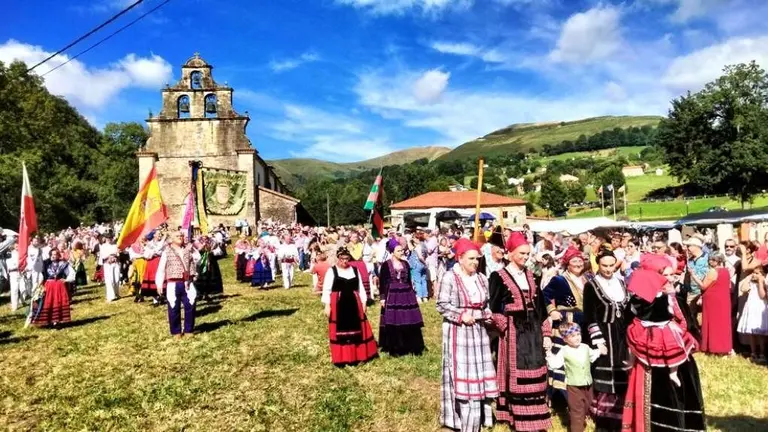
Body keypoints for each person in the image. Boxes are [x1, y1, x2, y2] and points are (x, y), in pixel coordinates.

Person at [622, 255, 705, 432]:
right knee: (658, 402)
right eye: (665, 274)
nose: (670, 278)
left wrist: (688, 339)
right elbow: (628, 326)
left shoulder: (676, 297)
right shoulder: (641, 298)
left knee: (682, 398)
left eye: (672, 274)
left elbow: (689, 324)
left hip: (679, 358)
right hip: (650, 363)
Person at [488, 232, 552, 431]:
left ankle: (536, 415)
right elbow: (493, 305)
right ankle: (516, 414)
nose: (525, 257)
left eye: (527, 254)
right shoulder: (498, 276)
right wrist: (504, 325)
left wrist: (547, 333)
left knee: (536, 367)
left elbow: (540, 306)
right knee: (517, 371)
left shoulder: (531, 275)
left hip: (533, 331)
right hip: (514, 332)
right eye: (522, 253)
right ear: (511, 253)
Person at [437, 238, 498, 432]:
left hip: (479, 331)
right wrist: (461, 315)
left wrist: (487, 315)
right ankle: (462, 420)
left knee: (479, 370)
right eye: (471, 259)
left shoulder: (481, 278)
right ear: (460, 258)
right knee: (462, 371)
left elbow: (486, 303)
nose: (475, 262)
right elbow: (442, 305)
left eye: (477, 259)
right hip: (459, 331)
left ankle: (480, 417)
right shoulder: (450, 277)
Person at [583, 249, 630, 431]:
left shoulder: (621, 282)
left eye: (612, 265)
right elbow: (589, 315)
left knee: (622, 368)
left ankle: (622, 411)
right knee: (604, 369)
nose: (609, 269)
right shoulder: (592, 285)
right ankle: (603, 413)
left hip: (621, 334)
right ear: (598, 265)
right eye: (605, 265)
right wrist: (598, 340)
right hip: (603, 333)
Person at [543, 246, 589, 399]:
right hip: (567, 321)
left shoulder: (588, 278)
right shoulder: (559, 279)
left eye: (580, 260)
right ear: (567, 263)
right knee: (564, 355)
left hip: (585, 321)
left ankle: (582, 389)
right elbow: (544, 294)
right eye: (574, 261)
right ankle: (560, 394)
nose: (578, 263)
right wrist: (552, 310)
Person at [322, 247, 378, 367]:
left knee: (357, 329)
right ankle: (342, 358)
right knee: (340, 331)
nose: (345, 261)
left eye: (347, 259)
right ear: (338, 258)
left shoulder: (354, 270)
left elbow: (360, 287)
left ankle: (358, 355)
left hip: (354, 303)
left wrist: (364, 303)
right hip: (338, 305)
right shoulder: (332, 271)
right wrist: (327, 305)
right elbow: (326, 289)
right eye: (342, 259)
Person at [546, 322, 602, 432]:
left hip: (588, 385)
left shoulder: (585, 347)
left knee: (587, 405)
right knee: (577, 411)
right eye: (572, 336)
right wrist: (548, 353)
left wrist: (600, 350)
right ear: (565, 339)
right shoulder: (564, 350)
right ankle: (577, 428)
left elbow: (592, 355)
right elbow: (555, 364)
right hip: (574, 386)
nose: (577, 338)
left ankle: (582, 420)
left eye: (578, 334)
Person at [378, 238, 425, 357]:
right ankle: (395, 347)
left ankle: (411, 345)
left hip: (406, 294)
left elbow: (409, 280)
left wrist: (414, 295)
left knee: (408, 318)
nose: (401, 252)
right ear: (392, 251)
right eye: (398, 251)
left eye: (402, 250)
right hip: (392, 295)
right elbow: (382, 282)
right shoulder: (386, 265)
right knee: (394, 320)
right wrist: (383, 297)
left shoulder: (406, 263)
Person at [155, 231, 198, 338]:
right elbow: (161, 269)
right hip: (173, 283)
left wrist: (193, 249)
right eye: (177, 236)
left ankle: (189, 329)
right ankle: (176, 331)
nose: (180, 238)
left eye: (181, 236)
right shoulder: (167, 251)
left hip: (187, 282)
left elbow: (198, 259)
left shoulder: (189, 249)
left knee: (191, 304)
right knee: (174, 306)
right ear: (172, 238)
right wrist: (159, 283)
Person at [698, 252, 733, 355]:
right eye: (710, 259)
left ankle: (714, 347)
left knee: (713, 323)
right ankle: (724, 347)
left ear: (718, 261)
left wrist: (694, 276)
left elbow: (704, 286)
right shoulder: (726, 271)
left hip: (713, 301)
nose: (710, 261)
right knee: (723, 323)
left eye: (713, 260)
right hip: (723, 300)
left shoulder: (713, 271)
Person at [31, 249, 75, 328]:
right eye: (52, 254)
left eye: (55, 254)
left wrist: (67, 279)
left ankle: (56, 321)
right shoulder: (45, 264)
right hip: (49, 286)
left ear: (58, 255)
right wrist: (39, 285)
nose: (54, 256)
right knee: (48, 303)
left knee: (57, 302)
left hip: (59, 286)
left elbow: (71, 272)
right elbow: (39, 273)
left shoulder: (63, 264)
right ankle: (49, 320)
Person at [736, 267, 768, 364]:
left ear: (762, 275)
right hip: (751, 308)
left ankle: (762, 353)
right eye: (754, 273)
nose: (754, 275)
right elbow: (743, 289)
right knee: (751, 332)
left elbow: (762, 296)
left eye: (757, 273)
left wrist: (760, 283)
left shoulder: (763, 283)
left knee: (760, 333)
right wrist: (749, 278)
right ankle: (753, 352)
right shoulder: (752, 282)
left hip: (759, 308)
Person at [684, 234, 709, 320]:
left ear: (695, 246)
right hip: (691, 292)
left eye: (689, 246)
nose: (687, 248)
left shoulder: (707, 258)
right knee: (690, 316)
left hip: (703, 292)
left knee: (704, 316)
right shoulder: (690, 260)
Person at [195, 236, 224, 301]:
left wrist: (211, 252)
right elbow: (194, 252)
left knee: (209, 277)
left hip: (211, 263)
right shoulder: (196, 242)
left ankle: (206, 294)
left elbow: (219, 251)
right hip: (200, 263)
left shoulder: (213, 242)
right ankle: (199, 294)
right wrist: (201, 248)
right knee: (200, 278)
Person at [100, 235, 120, 302]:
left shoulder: (115, 245)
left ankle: (117, 293)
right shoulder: (103, 246)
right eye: (108, 238)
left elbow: (118, 254)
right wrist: (109, 256)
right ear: (105, 238)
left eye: (110, 237)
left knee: (116, 279)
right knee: (109, 280)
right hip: (108, 264)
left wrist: (116, 255)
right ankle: (111, 296)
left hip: (115, 263)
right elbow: (103, 256)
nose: (109, 239)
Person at [408, 236, 429, 303]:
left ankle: (419, 297)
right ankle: (425, 297)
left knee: (417, 281)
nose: (413, 240)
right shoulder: (424, 246)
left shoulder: (418, 247)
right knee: (423, 281)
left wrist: (424, 262)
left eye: (414, 238)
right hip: (424, 266)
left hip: (417, 264)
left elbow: (420, 257)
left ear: (418, 239)